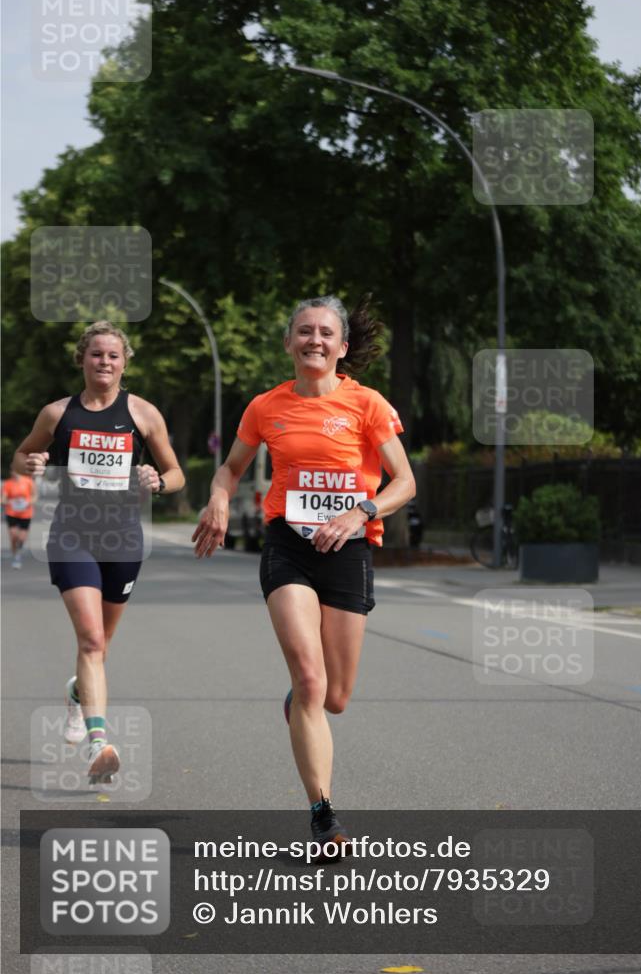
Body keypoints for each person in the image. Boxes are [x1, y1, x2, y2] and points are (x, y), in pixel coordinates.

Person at [193, 295, 415, 850]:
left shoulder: (367, 404)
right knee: (311, 680)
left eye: (325, 333)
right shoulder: (267, 406)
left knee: (334, 697)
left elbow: (404, 482)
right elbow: (231, 467)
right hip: (287, 547)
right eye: (304, 331)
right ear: (289, 342)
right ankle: (323, 814)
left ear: (342, 347)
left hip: (348, 550)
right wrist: (218, 499)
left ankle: (301, 708)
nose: (314, 340)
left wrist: (361, 511)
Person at [13, 320, 185, 783]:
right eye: (96, 355)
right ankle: (99, 742)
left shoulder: (144, 414)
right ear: (82, 360)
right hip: (72, 535)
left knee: (100, 647)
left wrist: (158, 481)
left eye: (112, 355)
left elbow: (175, 472)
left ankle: (76, 696)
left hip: (123, 539)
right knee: (90, 640)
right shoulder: (56, 414)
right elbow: (21, 456)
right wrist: (30, 463)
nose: (104, 362)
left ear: (124, 362)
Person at [2, 468, 37, 568]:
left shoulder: (28, 481)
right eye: (12, 470)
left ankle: (19, 550)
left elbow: (34, 496)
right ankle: (15, 556)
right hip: (11, 513)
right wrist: (9, 502)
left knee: (21, 538)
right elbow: (3, 499)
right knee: (13, 536)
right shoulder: (8, 484)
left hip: (26, 513)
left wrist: (27, 503)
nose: (14, 472)